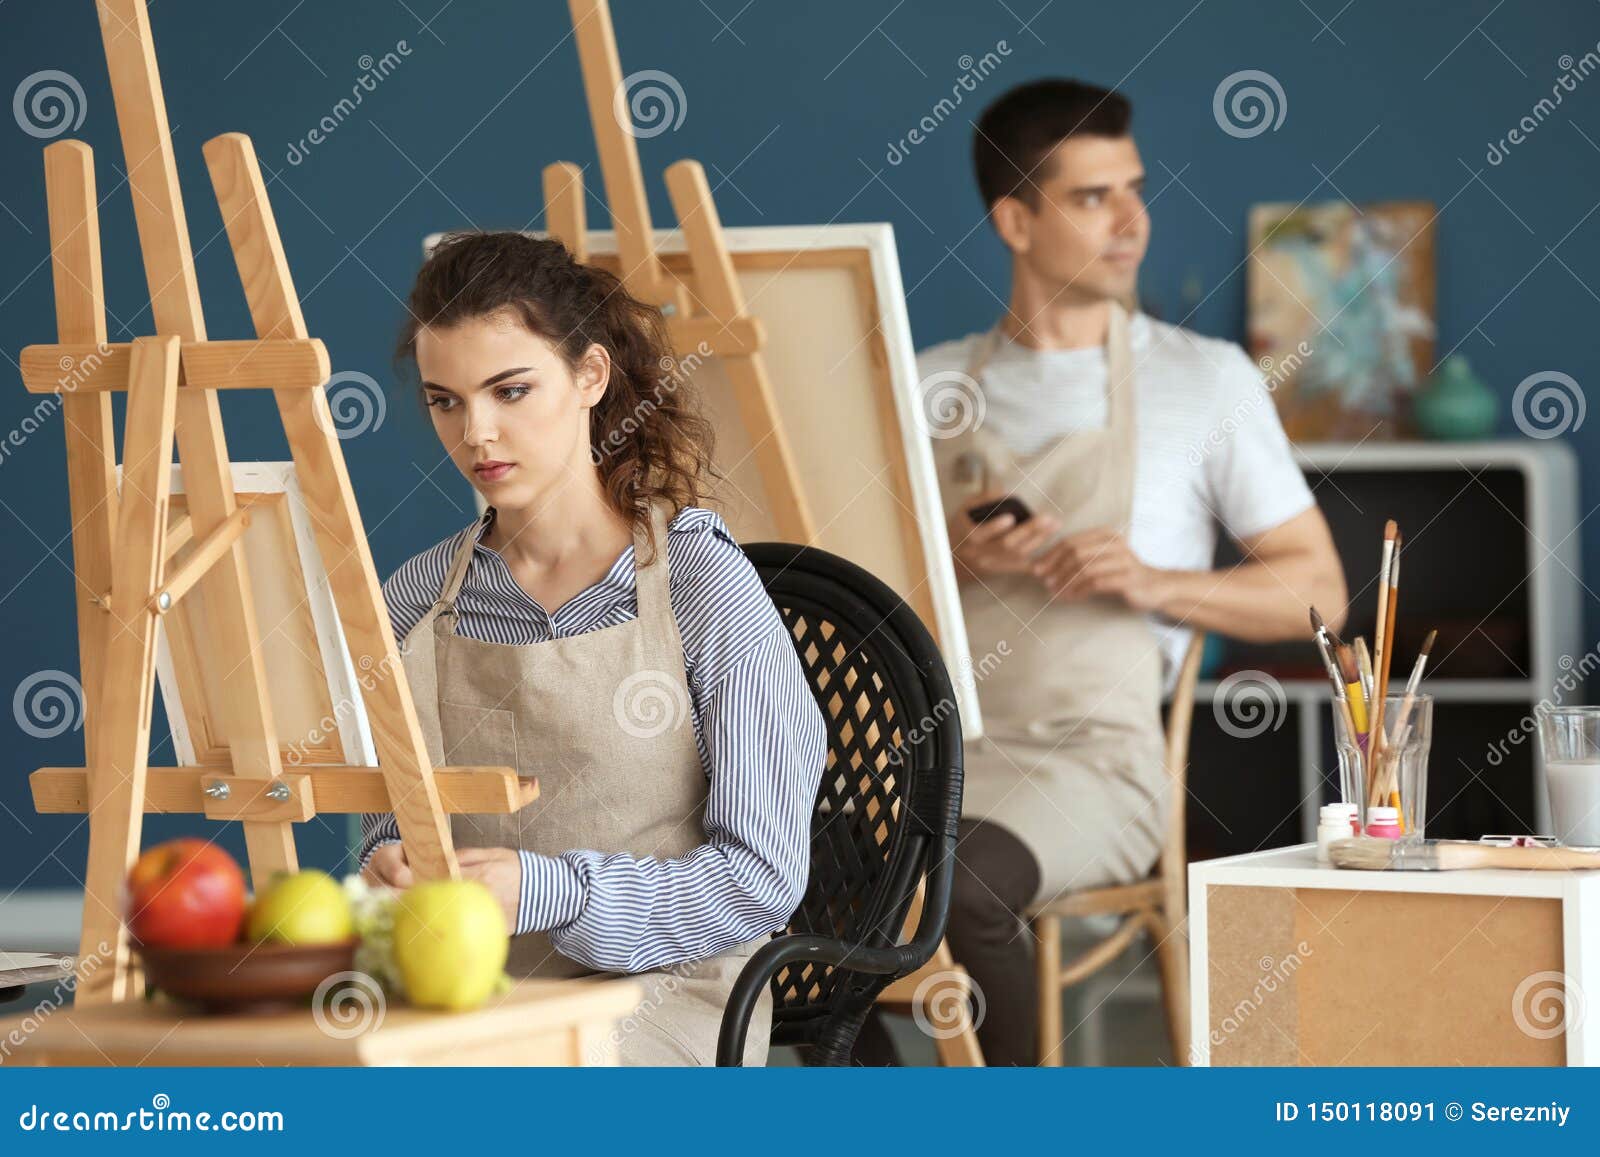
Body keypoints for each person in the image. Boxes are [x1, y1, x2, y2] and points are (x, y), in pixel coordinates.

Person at [861, 78, 1347, 1066]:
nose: (1132, 221)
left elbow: (1322, 594)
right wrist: (950, 553)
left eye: (1134, 189)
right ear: (1014, 219)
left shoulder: (1203, 379)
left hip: (1096, 761)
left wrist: (1154, 582)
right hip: (933, 753)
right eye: (1092, 198)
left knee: (962, 885)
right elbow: (853, 601)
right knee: (795, 883)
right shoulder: (930, 384)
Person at [357, 231, 827, 1066]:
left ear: (590, 377)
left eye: (510, 389)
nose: (479, 433)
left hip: (663, 998)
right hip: (470, 1000)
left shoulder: (700, 587)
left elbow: (760, 876)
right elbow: (388, 821)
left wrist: (544, 890)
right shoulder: (413, 601)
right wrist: (389, 863)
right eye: (446, 400)